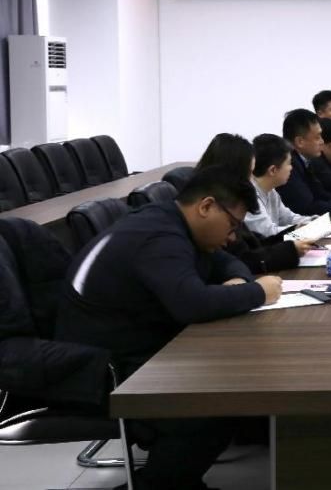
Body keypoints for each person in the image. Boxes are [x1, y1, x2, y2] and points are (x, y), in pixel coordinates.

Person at [55, 166, 283, 490]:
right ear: (206, 206)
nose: (233, 236)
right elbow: (192, 304)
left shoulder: (173, 222)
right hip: (102, 364)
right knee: (215, 401)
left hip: (134, 342)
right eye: (232, 224)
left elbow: (227, 261)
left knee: (235, 380)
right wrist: (258, 292)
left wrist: (239, 281)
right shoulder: (159, 236)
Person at [197, 133, 311, 274]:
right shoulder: (222, 208)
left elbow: (254, 243)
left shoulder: (227, 202)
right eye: (249, 173)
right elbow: (241, 258)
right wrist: (289, 249)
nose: (252, 179)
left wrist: (295, 233)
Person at [277, 109, 331, 216]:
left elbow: (319, 194)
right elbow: (306, 208)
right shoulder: (288, 165)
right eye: (317, 137)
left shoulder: (304, 160)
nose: (322, 142)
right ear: (300, 142)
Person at [246, 133, 314, 238]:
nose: (291, 168)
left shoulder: (271, 191)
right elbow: (268, 232)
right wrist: (298, 228)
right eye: (289, 163)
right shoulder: (249, 195)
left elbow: (289, 218)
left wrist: (312, 221)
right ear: (273, 170)